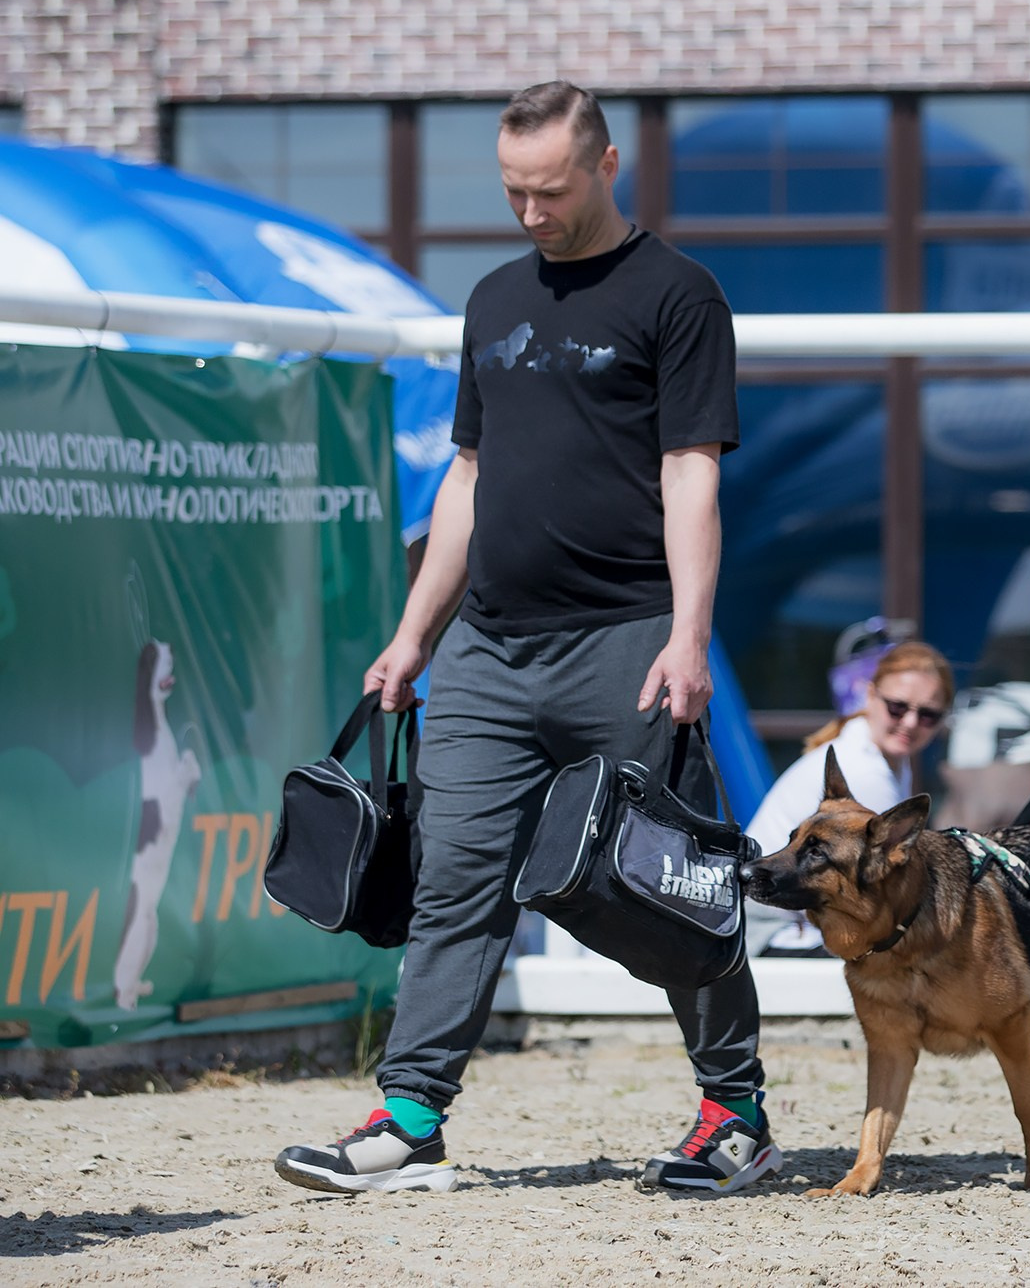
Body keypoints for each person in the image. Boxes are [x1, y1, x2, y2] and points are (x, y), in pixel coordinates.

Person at [273, 81, 779, 1196]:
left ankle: (733, 1111)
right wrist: (413, 636)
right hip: (488, 654)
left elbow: (690, 471)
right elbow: (467, 474)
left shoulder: (678, 295)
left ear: (604, 165)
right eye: (512, 191)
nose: (530, 212)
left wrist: (689, 637)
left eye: (549, 190)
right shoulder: (494, 297)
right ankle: (409, 1118)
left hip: (628, 642)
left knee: (668, 886)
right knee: (456, 880)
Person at [744, 641, 954, 956]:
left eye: (928, 715)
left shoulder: (887, 759)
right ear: (870, 695)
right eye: (897, 707)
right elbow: (884, 891)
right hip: (769, 928)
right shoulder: (864, 771)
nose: (910, 723)